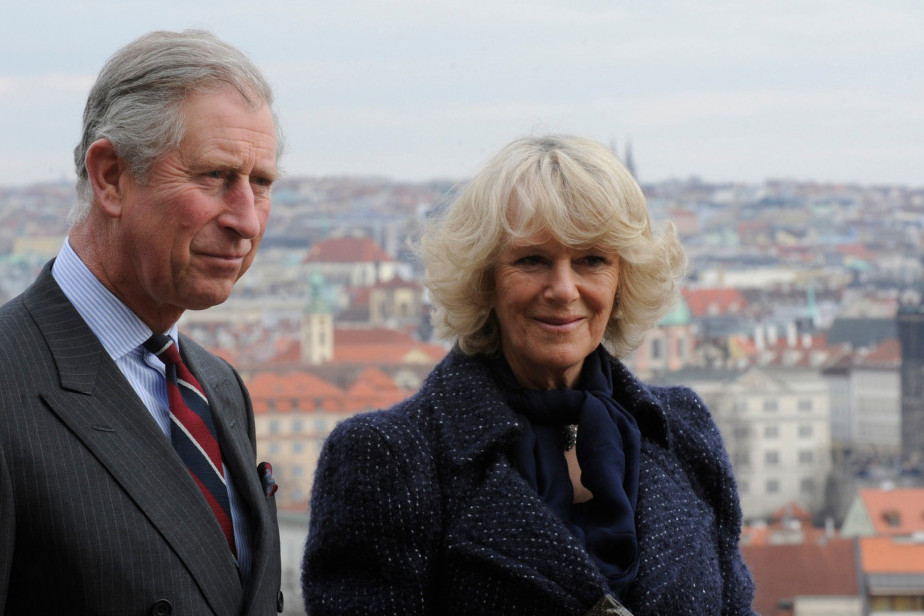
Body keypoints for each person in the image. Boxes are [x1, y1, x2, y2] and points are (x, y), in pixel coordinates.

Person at [302, 135, 756, 615]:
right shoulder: (389, 455)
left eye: (592, 260)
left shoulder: (683, 428)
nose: (563, 289)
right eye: (532, 260)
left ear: (624, 279)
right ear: (485, 279)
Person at [0, 30, 284, 615]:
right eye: (215, 176)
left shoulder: (218, 386)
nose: (248, 221)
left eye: (260, 183)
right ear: (110, 177)